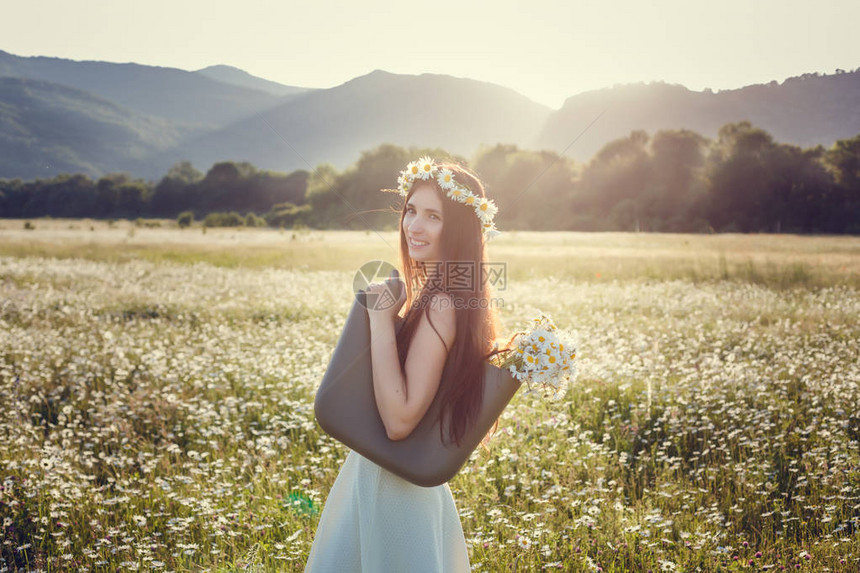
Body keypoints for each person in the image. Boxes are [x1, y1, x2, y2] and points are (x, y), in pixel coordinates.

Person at [303, 157, 503, 572]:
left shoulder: (443, 303)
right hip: (386, 478)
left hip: (393, 490)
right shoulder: (438, 296)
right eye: (411, 210)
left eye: (433, 216)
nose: (414, 225)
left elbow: (399, 420)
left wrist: (379, 318)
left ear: (460, 229)